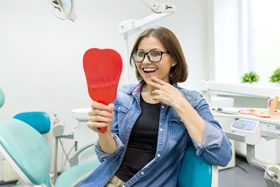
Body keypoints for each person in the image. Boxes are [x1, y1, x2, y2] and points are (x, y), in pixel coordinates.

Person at [78, 26, 232, 187]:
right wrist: (104, 132)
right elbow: (108, 157)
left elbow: (222, 155)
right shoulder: (123, 96)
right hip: (105, 180)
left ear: (174, 59)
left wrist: (179, 103)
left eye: (155, 54)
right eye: (140, 54)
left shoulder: (192, 101)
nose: (145, 61)